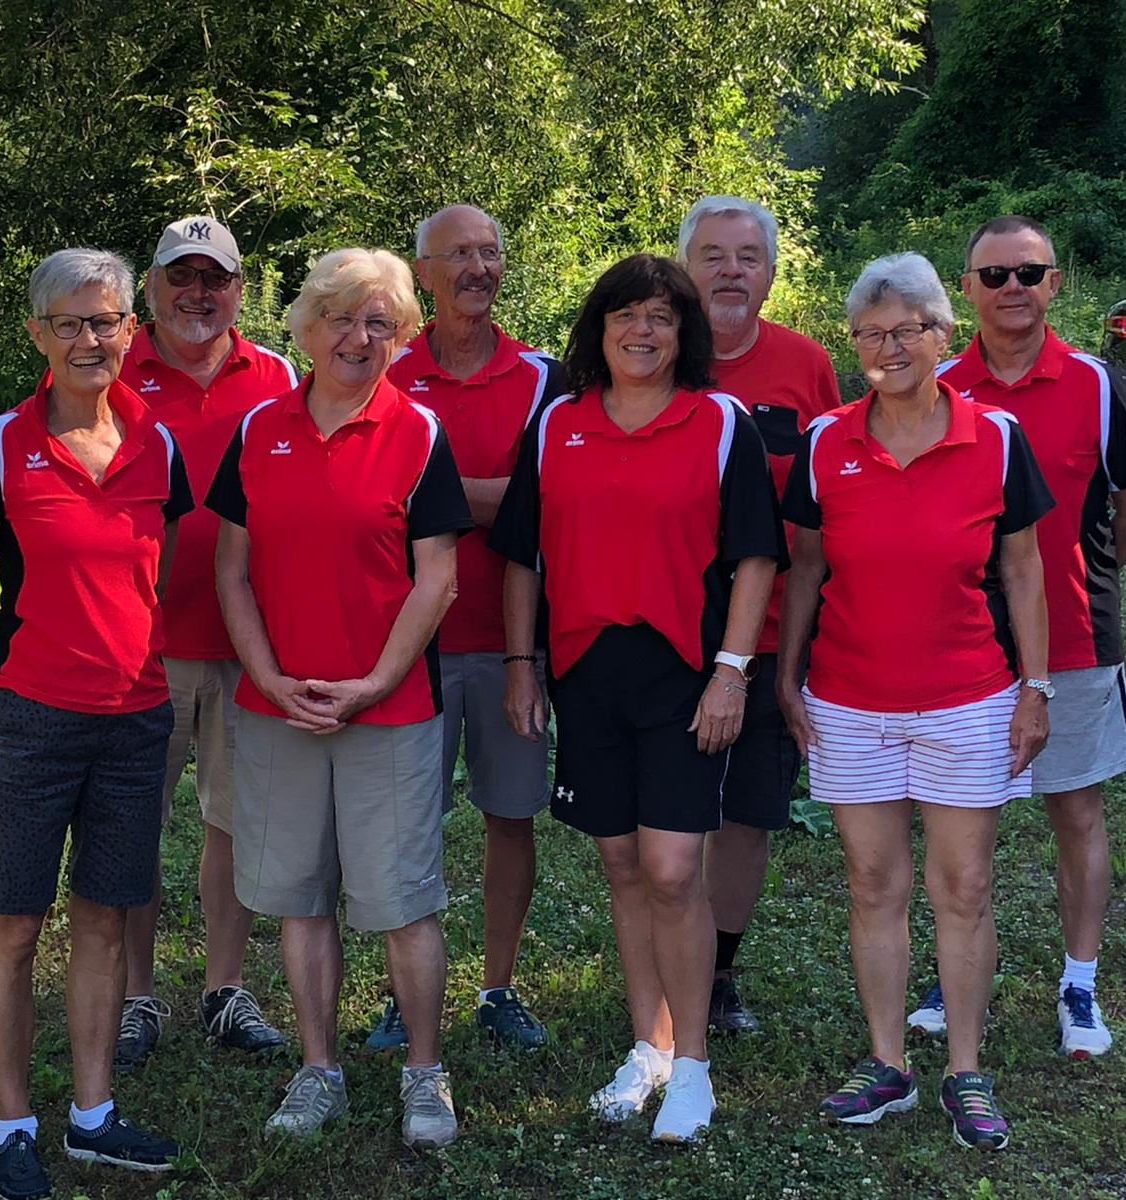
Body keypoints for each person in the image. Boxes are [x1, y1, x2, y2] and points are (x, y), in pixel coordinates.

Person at [491, 254, 784, 1143]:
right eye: (627, 314)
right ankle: (646, 1047)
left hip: (685, 679)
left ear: (683, 332)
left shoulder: (720, 421)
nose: (643, 331)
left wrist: (732, 669)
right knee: (622, 865)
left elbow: (757, 559)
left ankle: (691, 1064)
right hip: (587, 674)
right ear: (601, 327)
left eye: (662, 316)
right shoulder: (557, 425)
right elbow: (521, 558)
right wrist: (519, 663)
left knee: (672, 868)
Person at [776, 252, 1055, 1150]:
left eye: (905, 330)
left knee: (964, 887)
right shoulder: (825, 441)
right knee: (872, 884)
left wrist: (1035, 691)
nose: (887, 347)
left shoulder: (997, 437)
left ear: (942, 335)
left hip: (969, 698)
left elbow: (1023, 572)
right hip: (850, 700)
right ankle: (888, 1064)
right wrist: (785, 674)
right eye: (868, 333)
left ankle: (965, 1071)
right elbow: (807, 568)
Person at [0, 249, 189, 1198]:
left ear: (132, 330)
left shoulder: (158, 443)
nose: (92, 338)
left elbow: (156, 579)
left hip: (134, 719)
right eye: (71, 323)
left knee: (106, 920)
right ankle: (13, 1126)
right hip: (32, 719)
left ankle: (91, 1116)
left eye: (108, 320)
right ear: (38, 334)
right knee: (12, 924)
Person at [207, 248, 472, 1148]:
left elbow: (437, 577)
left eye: (380, 323)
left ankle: (424, 1074)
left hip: (388, 709)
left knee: (401, 901)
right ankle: (318, 1068)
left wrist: (376, 682)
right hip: (276, 706)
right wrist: (271, 676)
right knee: (299, 896)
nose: (359, 337)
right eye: (342, 318)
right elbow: (231, 570)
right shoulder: (258, 429)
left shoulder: (418, 432)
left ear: (400, 338)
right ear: (307, 326)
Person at [912, 216, 1126, 1059]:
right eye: (994, 274)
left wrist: (1074, 584)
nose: (1012, 287)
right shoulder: (935, 384)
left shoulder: (1096, 384)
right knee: (953, 823)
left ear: (1056, 283)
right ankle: (954, 973)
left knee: (1075, 811)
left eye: (1030, 271)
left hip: (1077, 644)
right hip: (961, 644)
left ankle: (1079, 986)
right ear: (966, 289)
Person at [357, 204, 567, 1052]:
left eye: (491, 252)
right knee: (404, 824)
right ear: (426, 273)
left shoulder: (545, 377)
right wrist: (500, 497)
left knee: (508, 815)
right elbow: (372, 498)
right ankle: (403, 994)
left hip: (511, 639)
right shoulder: (385, 371)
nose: (479, 268)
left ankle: (497, 986)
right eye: (460, 255)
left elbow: (549, 506)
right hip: (405, 644)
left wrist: (441, 494)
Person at [112, 215, 296, 1070]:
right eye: (180, 277)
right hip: (140, 643)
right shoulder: (112, 367)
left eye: (214, 278)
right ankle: (134, 996)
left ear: (240, 290)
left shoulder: (280, 376)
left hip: (249, 642)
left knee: (236, 821)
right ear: (150, 289)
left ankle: (226, 990)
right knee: (132, 824)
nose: (197, 294)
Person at [677, 195, 843, 1035]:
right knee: (662, 820)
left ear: (772, 274)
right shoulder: (651, 351)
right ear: (685, 269)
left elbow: (834, 502)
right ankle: (665, 965)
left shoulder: (807, 367)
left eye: (748, 256)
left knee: (745, 815)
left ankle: (716, 975)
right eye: (713, 255)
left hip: (774, 633)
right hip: (664, 632)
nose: (730, 271)